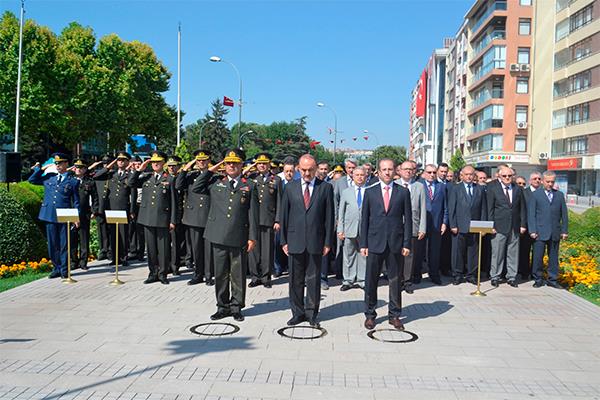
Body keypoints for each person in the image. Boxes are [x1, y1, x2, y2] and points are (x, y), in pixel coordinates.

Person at [193, 148, 258, 322]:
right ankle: (222, 307)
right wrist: (214, 168)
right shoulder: (216, 182)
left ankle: (236, 307)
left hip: (239, 236)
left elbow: (253, 213)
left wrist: (252, 237)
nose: (231, 166)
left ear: (241, 165)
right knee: (220, 274)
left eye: (235, 163)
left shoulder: (249, 185)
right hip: (218, 235)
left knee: (237, 275)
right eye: (228, 163)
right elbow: (197, 187)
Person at [280, 154, 334, 327]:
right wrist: (283, 241)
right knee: (295, 280)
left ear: (316, 168)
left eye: (310, 170)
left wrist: (327, 242)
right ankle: (297, 312)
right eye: (303, 170)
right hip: (294, 240)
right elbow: (284, 216)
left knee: (313, 279)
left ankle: (311, 313)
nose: (307, 173)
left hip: (315, 241)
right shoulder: (290, 188)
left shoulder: (325, 188)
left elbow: (329, 218)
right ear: (298, 168)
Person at [360, 158, 412, 331]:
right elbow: (364, 220)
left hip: (396, 243)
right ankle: (370, 314)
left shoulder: (403, 192)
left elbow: (408, 220)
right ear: (379, 172)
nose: (387, 172)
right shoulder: (370, 192)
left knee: (395, 280)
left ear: (395, 171)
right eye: (384, 169)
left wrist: (406, 243)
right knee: (371, 280)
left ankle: (395, 315)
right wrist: (363, 244)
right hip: (375, 242)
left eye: (390, 169)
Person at [129, 152, 178, 285]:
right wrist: (139, 169)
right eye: (153, 162)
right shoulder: (146, 177)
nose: (155, 164)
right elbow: (131, 183)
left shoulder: (170, 179)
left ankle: (162, 274)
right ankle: (152, 273)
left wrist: (173, 220)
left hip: (163, 218)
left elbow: (174, 201)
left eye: (158, 162)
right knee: (150, 248)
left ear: (163, 163)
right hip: (147, 218)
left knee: (163, 249)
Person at [28, 153, 80, 279]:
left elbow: (76, 201)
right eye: (56, 163)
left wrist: (75, 217)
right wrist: (40, 169)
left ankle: (64, 270)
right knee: (52, 244)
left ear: (66, 164)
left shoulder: (72, 182)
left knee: (64, 244)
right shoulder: (49, 177)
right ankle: (56, 268)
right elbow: (32, 180)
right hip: (49, 215)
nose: (58, 166)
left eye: (60, 163)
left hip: (64, 216)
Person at [177, 150, 217, 286]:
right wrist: (185, 169)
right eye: (198, 160)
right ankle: (197, 274)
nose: (201, 162)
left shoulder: (214, 176)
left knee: (208, 249)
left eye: (204, 160)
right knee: (196, 249)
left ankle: (209, 275)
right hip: (193, 217)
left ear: (208, 161)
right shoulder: (190, 176)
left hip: (208, 216)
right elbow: (178, 185)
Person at [90, 152, 133, 266]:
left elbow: (132, 194)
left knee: (123, 234)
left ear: (128, 162)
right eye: (118, 160)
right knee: (113, 234)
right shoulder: (111, 174)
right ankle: (115, 257)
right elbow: (96, 176)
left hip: (123, 208)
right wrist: (109, 166)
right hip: (112, 208)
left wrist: (132, 210)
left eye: (123, 160)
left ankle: (123, 257)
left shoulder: (129, 176)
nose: (120, 162)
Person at [487, 165, 527, 288]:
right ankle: (495, 276)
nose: (507, 178)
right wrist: (491, 225)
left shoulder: (518, 189)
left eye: (510, 176)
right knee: (497, 253)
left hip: (514, 226)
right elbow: (490, 208)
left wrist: (522, 224)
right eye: (504, 176)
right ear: (499, 176)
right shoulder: (492, 187)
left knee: (513, 253)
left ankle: (511, 277)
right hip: (498, 226)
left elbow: (522, 208)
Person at [528, 171, 568, 288]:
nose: (550, 184)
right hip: (539, 232)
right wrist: (532, 230)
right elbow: (532, 214)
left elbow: (564, 215)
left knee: (554, 258)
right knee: (537, 257)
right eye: (548, 181)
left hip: (555, 231)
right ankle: (538, 278)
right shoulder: (536, 195)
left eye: (552, 182)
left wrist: (564, 231)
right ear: (542, 181)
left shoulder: (559, 195)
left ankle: (553, 279)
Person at [448, 165, 487, 285]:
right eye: (467, 174)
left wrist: (483, 226)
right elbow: (451, 208)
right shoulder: (455, 188)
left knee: (473, 252)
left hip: (475, 226)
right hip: (459, 226)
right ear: (461, 175)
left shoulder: (479, 189)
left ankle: (472, 275)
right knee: (457, 252)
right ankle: (457, 275)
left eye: (471, 174)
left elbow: (483, 209)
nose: (469, 176)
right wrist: (453, 224)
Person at [248, 152, 281, 289]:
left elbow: (280, 200)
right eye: (259, 163)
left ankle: (266, 277)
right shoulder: (251, 178)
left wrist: (278, 219)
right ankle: (255, 276)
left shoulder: (276, 180)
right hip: (253, 219)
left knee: (267, 250)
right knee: (254, 249)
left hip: (268, 219)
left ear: (269, 165)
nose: (262, 165)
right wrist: (250, 168)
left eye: (264, 163)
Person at [395, 161, 426, 294]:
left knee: (409, 254)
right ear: (399, 171)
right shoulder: (394, 185)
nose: (408, 171)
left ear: (414, 171)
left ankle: (407, 281)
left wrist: (422, 227)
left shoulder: (419, 186)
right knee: (396, 254)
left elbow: (423, 208)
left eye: (411, 169)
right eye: (405, 169)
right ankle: (397, 279)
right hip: (396, 226)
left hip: (413, 225)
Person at [337, 166, 367, 290]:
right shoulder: (346, 192)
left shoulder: (370, 191)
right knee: (348, 255)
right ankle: (348, 280)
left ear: (366, 177)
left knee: (363, 255)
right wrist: (340, 229)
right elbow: (341, 212)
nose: (359, 177)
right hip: (349, 229)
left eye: (362, 175)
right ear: (352, 176)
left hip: (365, 230)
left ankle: (362, 280)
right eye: (357, 175)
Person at [419, 164, 448, 285]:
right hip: (422, 223)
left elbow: (445, 206)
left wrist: (444, 222)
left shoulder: (441, 187)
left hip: (436, 223)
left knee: (434, 251)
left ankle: (434, 275)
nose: (431, 175)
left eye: (433, 172)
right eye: (429, 172)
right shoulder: (419, 185)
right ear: (424, 173)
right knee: (420, 251)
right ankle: (417, 274)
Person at [70, 159, 99, 271]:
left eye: (81, 167)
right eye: (76, 167)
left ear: (85, 169)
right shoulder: (70, 181)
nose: (78, 169)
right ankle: (73, 261)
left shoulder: (89, 182)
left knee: (84, 238)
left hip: (84, 213)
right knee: (72, 239)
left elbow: (95, 198)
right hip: (71, 213)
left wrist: (94, 211)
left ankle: (83, 262)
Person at [274, 157, 296, 277]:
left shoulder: (298, 180)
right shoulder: (277, 180)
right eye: (286, 171)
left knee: (291, 243)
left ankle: (290, 266)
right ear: (283, 170)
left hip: (293, 218)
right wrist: (277, 219)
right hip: (280, 217)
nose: (289, 173)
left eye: (291, 171)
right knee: (278, 243)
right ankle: (278, 267)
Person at [519, 171, 542, 280]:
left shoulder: (543, 192)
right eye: (535, 179)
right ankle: (524, 272)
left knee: (538, 253)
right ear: (530, 181)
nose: (537, 180)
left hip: (540, 227)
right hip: (527, 227)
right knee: (524, 251)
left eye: (539, 179)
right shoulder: (524, 192)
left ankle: (535, 273)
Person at [166, 155, 186, 275]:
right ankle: (166, 264)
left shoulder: (181, 177)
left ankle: (175, 266)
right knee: (166, 243)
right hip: (164, 214)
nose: (171, 168)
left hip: (178, 214)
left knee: (176, 242)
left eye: (174, 166)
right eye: (169, 166)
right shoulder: (165, 178)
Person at [127, 155, 145, 262]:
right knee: (132, 229)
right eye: (135, 164)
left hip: (141, 205)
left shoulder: (145, 176)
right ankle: (133, 250)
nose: (137, 166)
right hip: (132, 206)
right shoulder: (129, 176)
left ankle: (140, 252)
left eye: (139, 164)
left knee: (140, 230)